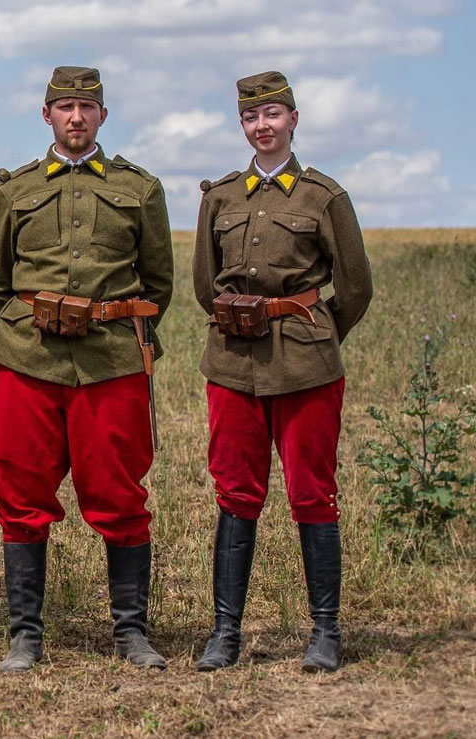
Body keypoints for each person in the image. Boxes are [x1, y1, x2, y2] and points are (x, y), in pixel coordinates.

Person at [0, 66, 173, 672]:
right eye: (64, 107)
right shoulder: (14, 190)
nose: (76, 118)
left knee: (119, 495)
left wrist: (110, 323)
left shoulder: (139, 190)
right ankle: (26, 636)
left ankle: (131, 633)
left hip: (111, 363)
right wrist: (34, 324)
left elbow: (159, 284)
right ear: (47, 116)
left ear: (103, 117)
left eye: (87, 108)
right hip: (28, 362)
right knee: (21, 493)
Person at [192, 71, 373, 674]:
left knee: (312, 494)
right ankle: (225, 633)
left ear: (293, 119)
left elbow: (354, 286)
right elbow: (203, 284)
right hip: (233, 363)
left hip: (308, 366)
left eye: (273, 114)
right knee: (236, 494)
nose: (262, 126)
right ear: (242, 125)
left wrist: (314, 331)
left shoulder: (325, 197)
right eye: (251, 118)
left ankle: (325, 631)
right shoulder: (219, 198)